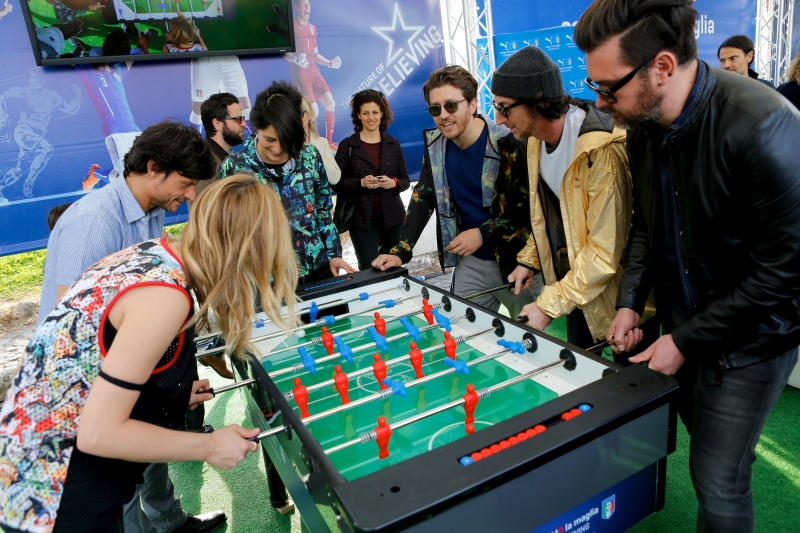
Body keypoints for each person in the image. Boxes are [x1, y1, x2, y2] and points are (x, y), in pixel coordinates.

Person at [575, 0, 800, 531]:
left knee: (718, 479)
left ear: (662, 67)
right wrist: (630, 303)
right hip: (686, 324)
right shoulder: (643, 124)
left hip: (753, 336)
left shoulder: (765, 124)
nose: (600, 102)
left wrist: (683, 340)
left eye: (609, 87)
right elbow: (647, 226)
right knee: (712, 455)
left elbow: (784, 272)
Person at [0, 175, 297, 533]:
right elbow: (98, 433)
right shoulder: (166, 296)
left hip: (33, 456)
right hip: (52, 485)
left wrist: (166, 395)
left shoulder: (156, 252)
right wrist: (207, 446)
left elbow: (102, 359)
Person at [35, 121, 228, 533]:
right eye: (185, 183)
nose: (190, 195)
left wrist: (161, 391)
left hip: (129, 375)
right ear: (153, 168)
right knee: (117, 487)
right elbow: (78, 332)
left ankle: (169, 522)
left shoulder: (150, 211)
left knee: (151, 458)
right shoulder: (93, 221)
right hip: (86, 387)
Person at [372, 66, 539, 318]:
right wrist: (401, 251)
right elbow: (423, 197)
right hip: (470, 261)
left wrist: (481, 234)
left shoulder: (509, 141)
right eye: (435, 109)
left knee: (531, 336)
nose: (443, 115)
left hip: (517, 261)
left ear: (472, 104)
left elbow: (525, 208)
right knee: (461, 329)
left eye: (451, 105)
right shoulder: (435, 146)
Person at [496, 46, 632, 350]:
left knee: (631, 375)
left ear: (538, 102)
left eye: (505, 108)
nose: (498, 118)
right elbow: (554, 214)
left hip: (622, 297)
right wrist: (529, 260)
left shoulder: (601, 150)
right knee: (581, 371)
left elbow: (605, 249)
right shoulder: (533, 138)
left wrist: (547, 305)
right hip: (576, 287)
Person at [219, 80, 355, 283]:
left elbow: (323, 210)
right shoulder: (234, 168)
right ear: (256, 128)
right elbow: (227, 230)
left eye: (287, 140)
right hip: (265, 279)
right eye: (270, 140)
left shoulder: (310, 156)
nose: (277, 149)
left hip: (317, 268)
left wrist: (333, 254)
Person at [333, 90, 410, 269]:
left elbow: (405, 180)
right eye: (366, 113)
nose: (371, 117)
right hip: (361, 221)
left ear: (382, 113)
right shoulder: (347, 145)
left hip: (393, 218)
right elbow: (337, 183)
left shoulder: (393, 144)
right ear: (358, 115)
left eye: (375, 112)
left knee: (393, 267)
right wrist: (360, 183)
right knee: (368, 269)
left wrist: (393, 183)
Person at [283, 0, 341, 149]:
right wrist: (296, 59)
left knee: (330, 102)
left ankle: (329, 143)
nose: (307, 7)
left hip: (315, 72)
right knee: (313, 111)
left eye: (308, 5)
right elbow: (285, 53)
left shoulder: (313, 29)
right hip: (301, 74)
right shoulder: (292, 26)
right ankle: (308, 144)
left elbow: (315, 55)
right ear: (296, 7)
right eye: (303, 5)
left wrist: (329, 63)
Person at [301, 94, 339, 184]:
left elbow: (335, 178)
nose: (295, 117)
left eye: (299, 112)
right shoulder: (281, 144)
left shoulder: (322, 142)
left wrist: (312, 152)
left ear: (309, 114)